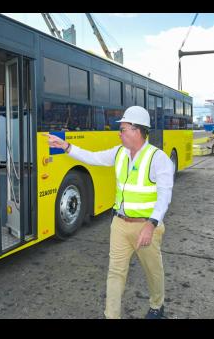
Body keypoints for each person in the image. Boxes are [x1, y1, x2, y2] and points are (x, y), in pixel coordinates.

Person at [44, 106, 174, 319]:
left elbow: (164, 196)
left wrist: (151, 224)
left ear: (136, 130)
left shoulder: (158, 159)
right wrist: (67, 146)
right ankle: (111, 316)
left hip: (146, 226)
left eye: (122, 129)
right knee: (115, 272)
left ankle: (157, 306)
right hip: (120, 224)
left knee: (153, 271)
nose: (119, 133)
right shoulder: (119, 153)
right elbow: (93, 157)